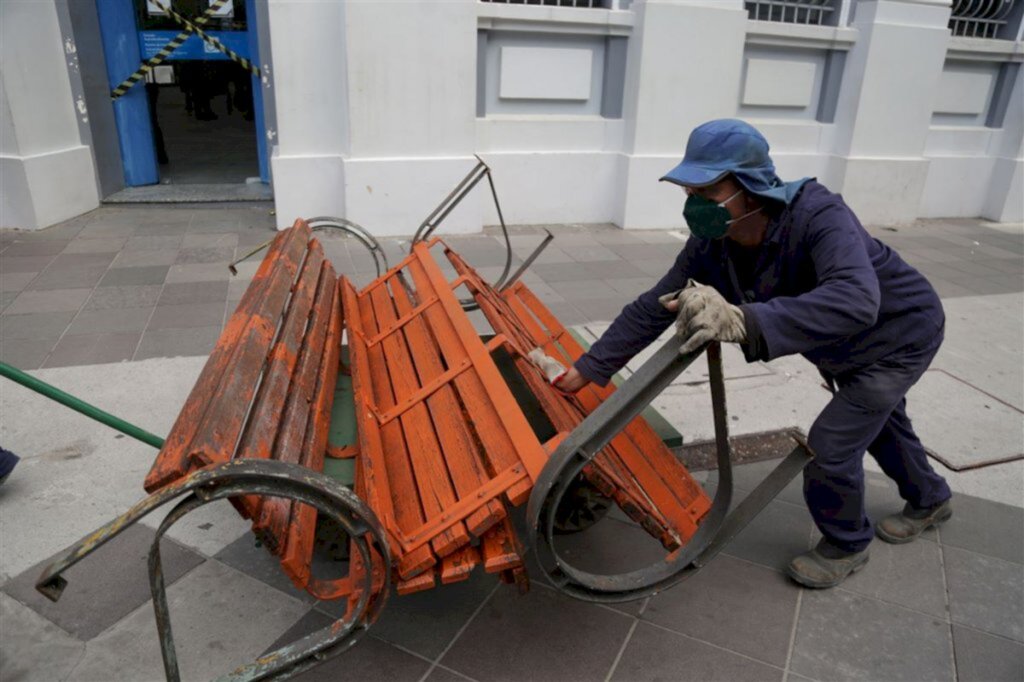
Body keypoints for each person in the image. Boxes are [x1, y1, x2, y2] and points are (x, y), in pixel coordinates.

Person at [555, 119, 953, 589]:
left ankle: (846, 544)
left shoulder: (819, 215)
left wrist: (744, 320)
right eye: (689, 192)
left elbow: (856, 299)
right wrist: (587, 369)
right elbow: (656, 304)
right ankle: (931, 499)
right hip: (844, 349)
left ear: (748, 186)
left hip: (899, 335)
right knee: (882, 422)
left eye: (707, 191)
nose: (694, 205)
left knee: (830, 447)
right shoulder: (714, 243)